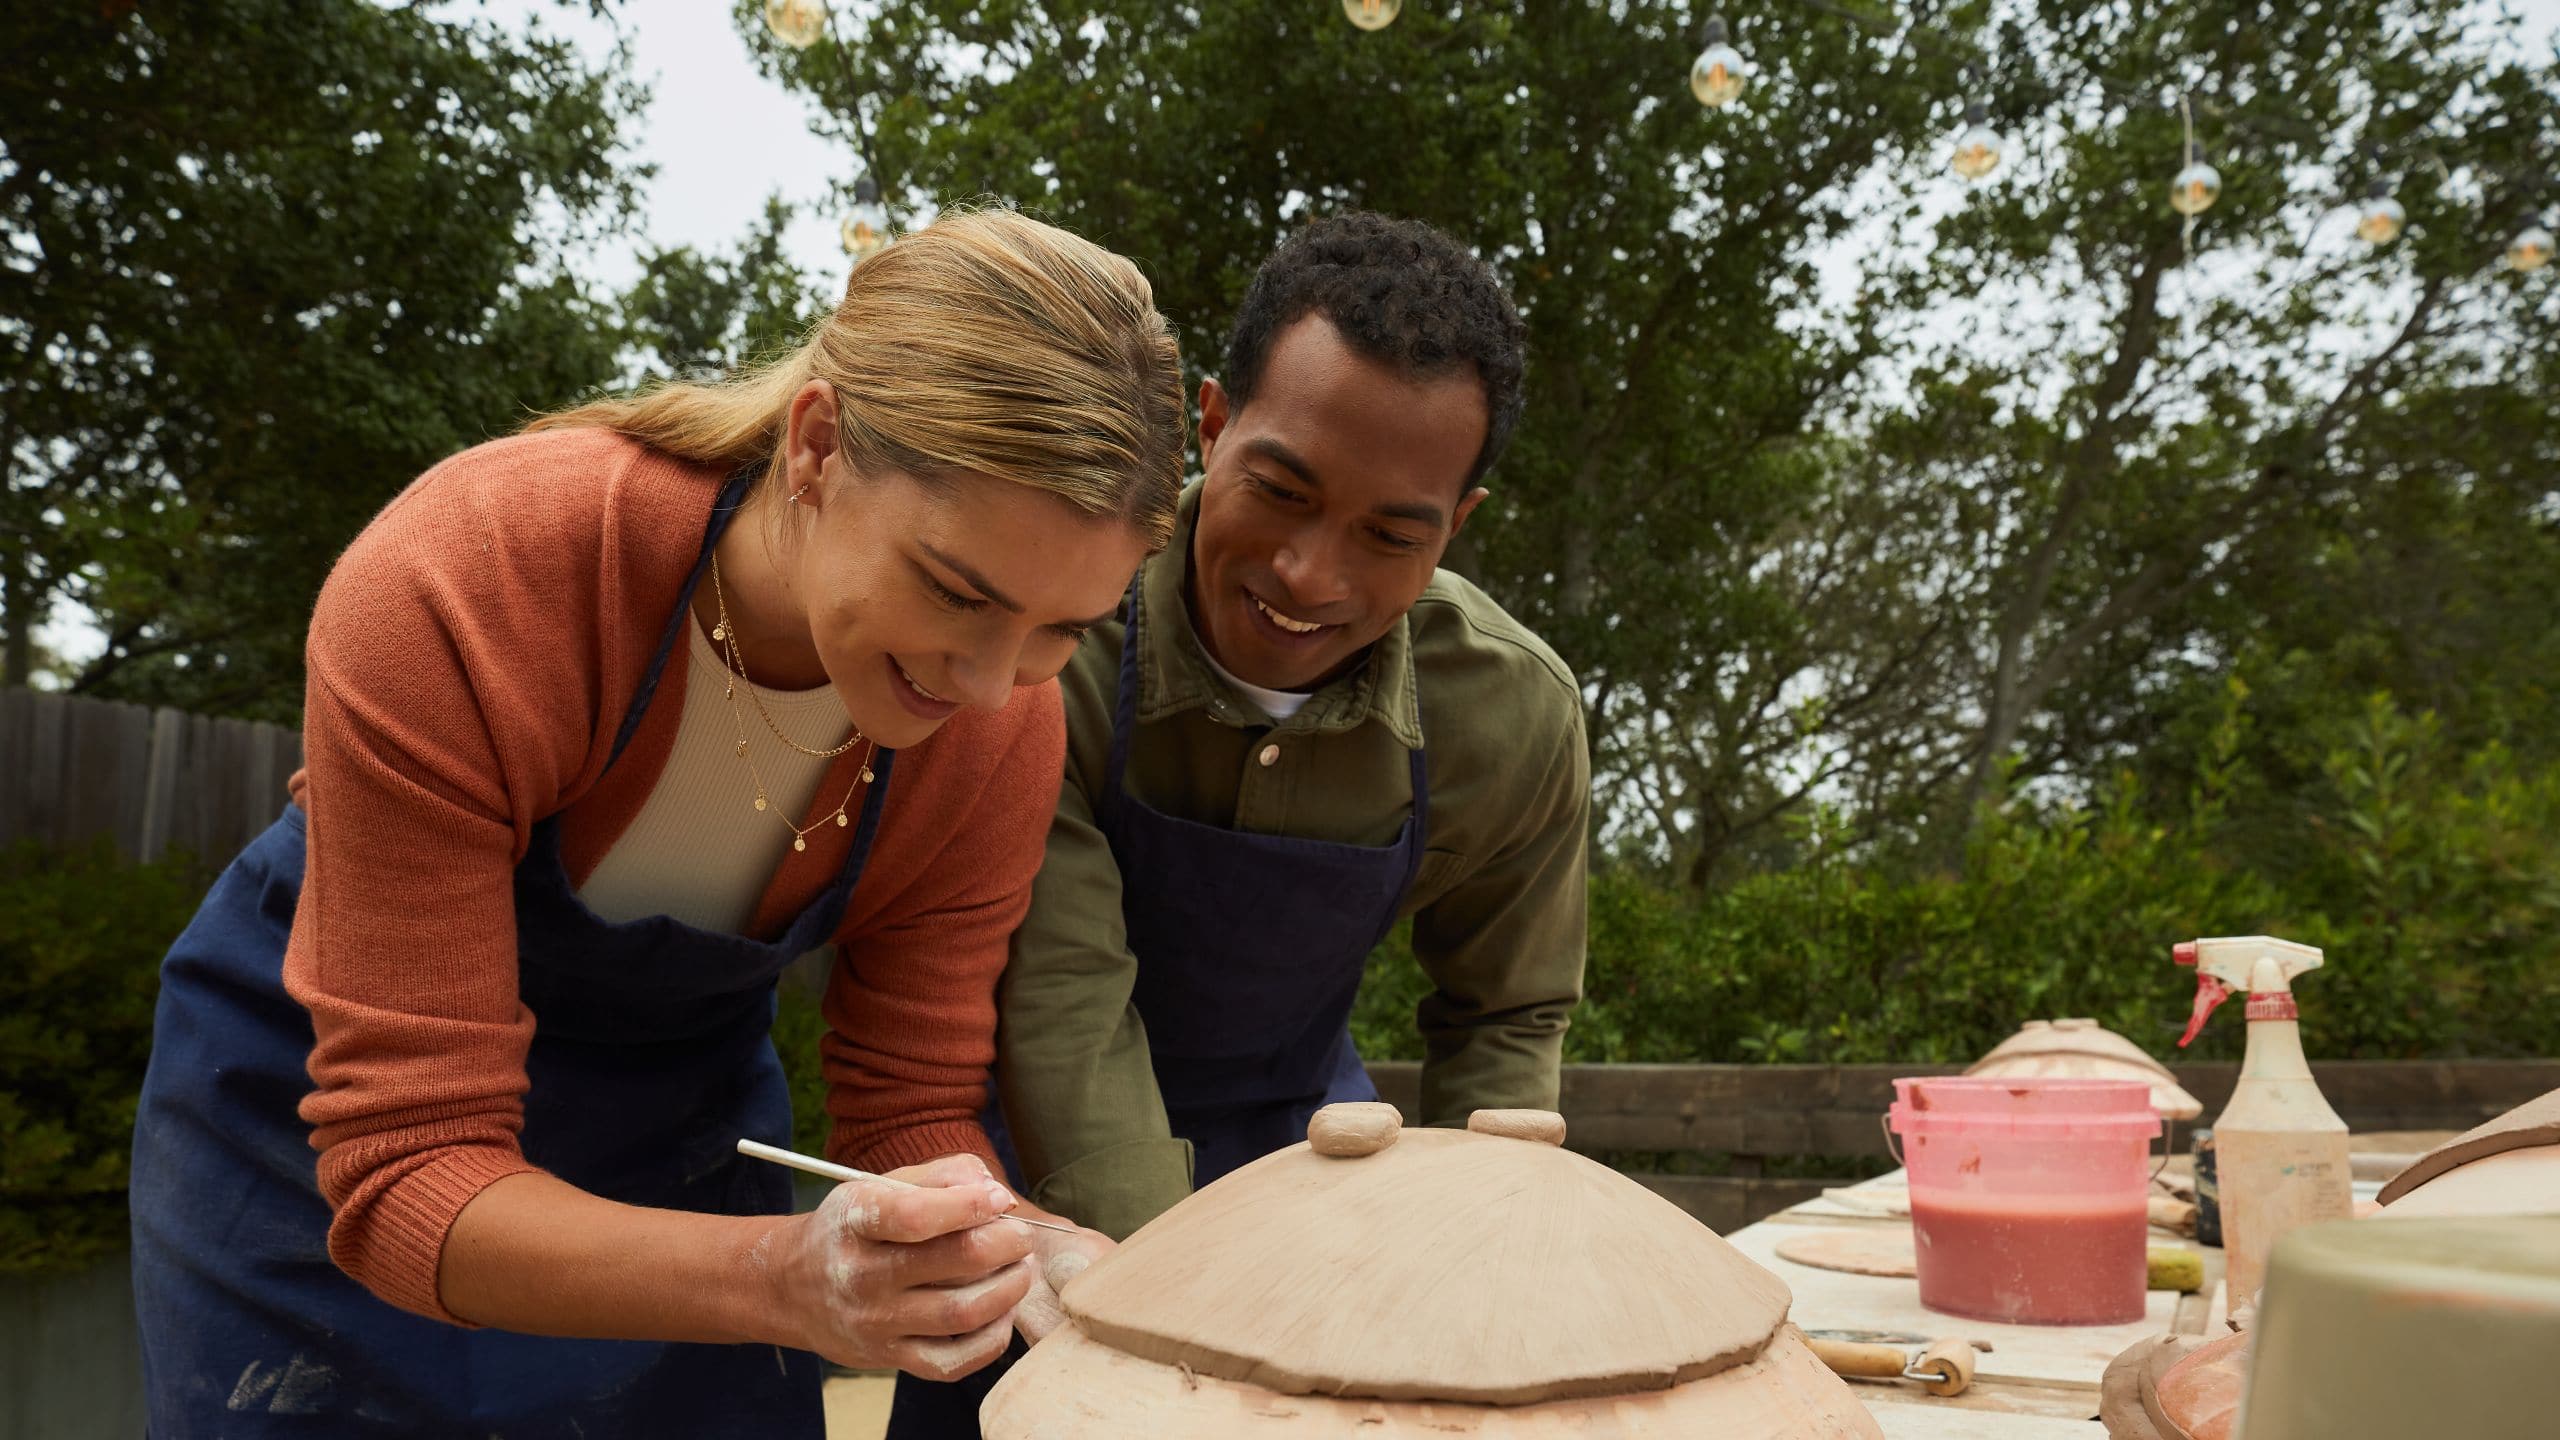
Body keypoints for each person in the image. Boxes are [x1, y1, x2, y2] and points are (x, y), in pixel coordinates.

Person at [127, 209, 1177, 1438]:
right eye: (957, 591)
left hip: (679, 1126)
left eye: (1062, 630)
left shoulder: (999, 733)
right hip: (315, 1131)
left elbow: (908, 1107)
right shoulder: (475, 575)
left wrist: (1000, 1232)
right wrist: (784, 1279)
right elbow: (410, 1172)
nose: (991, 688)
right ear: (818, 445)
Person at [886, 210, 1590, 1434]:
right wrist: (1180, 1317)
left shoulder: (1510, 714)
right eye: (1280, 489)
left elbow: (1506, 1011)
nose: (1312, 576)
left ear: (1457, 527)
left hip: (1307, 1158)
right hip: (1034, 1163)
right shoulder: (1051, 646)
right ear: (1208, 427)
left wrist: (1481, 1258)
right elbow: (1063, 998)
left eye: (1390, 535)